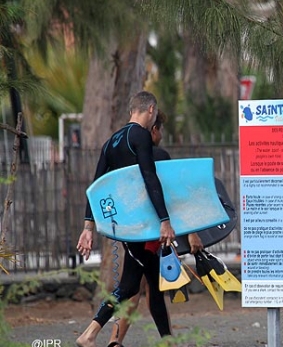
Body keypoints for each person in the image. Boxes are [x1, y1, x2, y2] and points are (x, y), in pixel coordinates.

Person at [76, 91, 176, 347]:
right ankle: (89, 334)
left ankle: (168, 342)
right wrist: (164, 219)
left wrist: (88, 227)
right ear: (151, 109)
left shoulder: (111, 142)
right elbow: (149, 177)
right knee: (130, 286)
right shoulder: (140, 135)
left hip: (129, 224)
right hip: (143, 226)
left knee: (154, 284)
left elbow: (95, 187)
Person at [107, 111, 204, 346]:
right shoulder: (159, 156)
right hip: (153, 233)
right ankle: (107, 336)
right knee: (141, 289)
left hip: (130, 232)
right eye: (159, 130)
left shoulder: (123, 158)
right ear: (153, 130)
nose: (160, 136)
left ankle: (118, 340)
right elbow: (173, 198)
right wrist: (191, 232)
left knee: (139, 287)